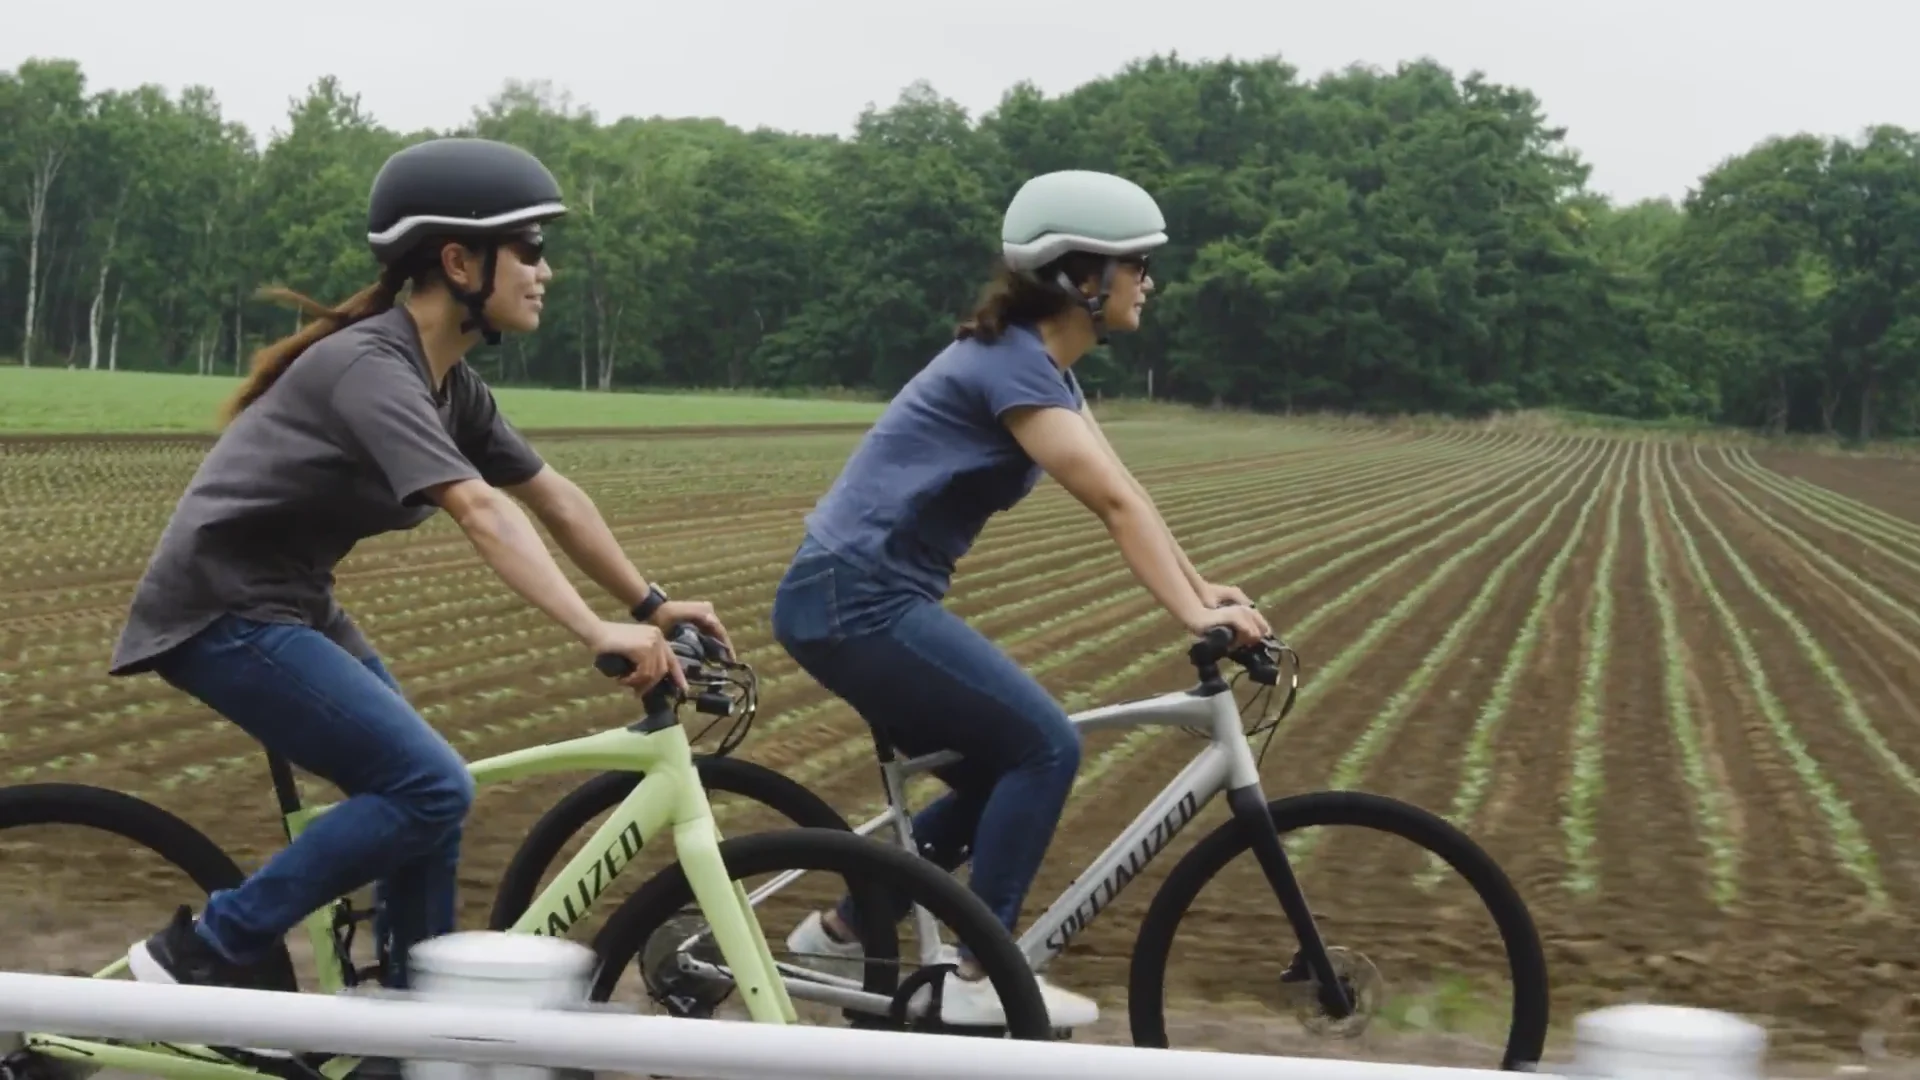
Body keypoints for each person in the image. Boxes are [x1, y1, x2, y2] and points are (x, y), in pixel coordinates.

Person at [107, 137, 731, 1006]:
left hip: (293, 604)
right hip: (221, 612)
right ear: (459, 260)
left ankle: (408, 1027)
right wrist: (594, 629)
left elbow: (553, 496)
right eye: (531, 248)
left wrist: (651, 603)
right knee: (427, 784)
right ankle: (208, 947)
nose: (544, 270)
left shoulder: (451, 385)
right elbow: (481, 511)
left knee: (436, 795)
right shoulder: (373, 366)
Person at [770, 169, 1271, 1028]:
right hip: (855, 598)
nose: (1149, 282)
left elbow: (1127, 489)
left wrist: (1201, 585)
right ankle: (979, 975)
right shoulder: (1011, 367)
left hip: (859, 595)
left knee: (1006, 765)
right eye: (1136, 265)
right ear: (1082, 276)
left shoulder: (1047, 372)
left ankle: (848, 926)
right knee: (1042, 747)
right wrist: (1191, 617)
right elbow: (1109, 504)